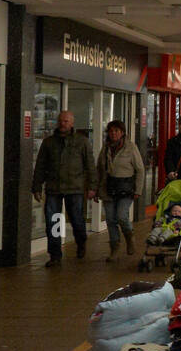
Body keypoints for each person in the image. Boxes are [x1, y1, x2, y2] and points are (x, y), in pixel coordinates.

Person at [31, 110, 96, 267]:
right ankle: (55, 255)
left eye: (66, 121)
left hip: (75, 188)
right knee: (54, 223)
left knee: (77, 220)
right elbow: (40, 166)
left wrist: (93, 186)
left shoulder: (82, 141)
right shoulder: (48, 142)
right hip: (54, 188)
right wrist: (37, 186)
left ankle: (81, 242)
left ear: (72, 123)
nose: (63, 124)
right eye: (61, 121)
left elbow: (90, 165)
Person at [96, 120, 144, 262]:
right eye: (111, 131)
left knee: (121, 216)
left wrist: (138, 190)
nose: (114, 134)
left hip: (126, 189)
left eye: (117, 131)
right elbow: (99, 169)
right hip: (108, 189)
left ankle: (129, 237)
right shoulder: (105, 148)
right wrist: (96, 189)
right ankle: (114, 248)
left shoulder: (131, 147)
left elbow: (140, 169)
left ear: (122, 133)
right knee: (110, 220)